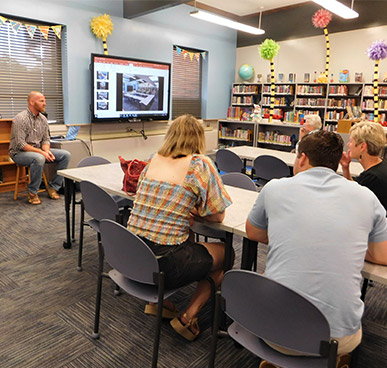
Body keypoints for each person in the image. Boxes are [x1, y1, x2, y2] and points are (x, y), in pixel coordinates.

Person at [246, 130, 387, 368]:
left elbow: (254, 233)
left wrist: (288, 231)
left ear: (301, 158)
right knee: (343, 339)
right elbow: (382, 256)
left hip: (270, 331)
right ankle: (332, 360)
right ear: (337, 161)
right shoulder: (367, 197)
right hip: (337, 339)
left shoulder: (274, 188)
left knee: (266, 278)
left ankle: (281, 359)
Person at [127, 114, 232, 341]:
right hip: (166, 262)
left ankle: (158, 303)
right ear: (199, 137)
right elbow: (217, 214)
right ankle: (188, 316)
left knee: (184, 239)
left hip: (135, 256)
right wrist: (193, 210)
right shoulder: (199, 164)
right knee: (227, 254)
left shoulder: (152, 159)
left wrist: (183, 210)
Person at [9, 91, 70, 205]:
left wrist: (46, 151)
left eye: (45, 101)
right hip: (18, 153)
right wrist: (42, 153)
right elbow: (20, 144)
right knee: (39, 158)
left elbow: (46, 139)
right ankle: (32, 192)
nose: (45, 103)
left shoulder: (43, 119)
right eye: (41, 101)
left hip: (38, 151)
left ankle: (53, 187)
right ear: (32, 102)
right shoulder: (20, 119)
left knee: (65, 155)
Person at [340, 120, 387, 211]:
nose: (348, 144)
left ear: (362, 147)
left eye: (351, 141)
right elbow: (354, 187)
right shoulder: (381, 166)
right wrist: (345, 168)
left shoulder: (371, 178)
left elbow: (352, 198)